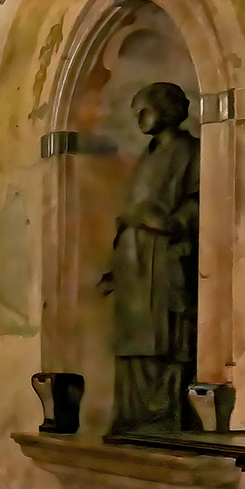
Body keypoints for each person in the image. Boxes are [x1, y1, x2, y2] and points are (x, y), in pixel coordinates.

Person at [105, 81, 200, 434]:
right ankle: (132, 418)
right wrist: (115, 269)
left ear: (167, 108)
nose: (139, 118)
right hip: (134, 264)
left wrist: (170, 223)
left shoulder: (191, 151)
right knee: (132, 343)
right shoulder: (147, 156)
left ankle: (164, 418)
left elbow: (201, 201)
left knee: (165, 340)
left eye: (144, 110)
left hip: (163, 259)